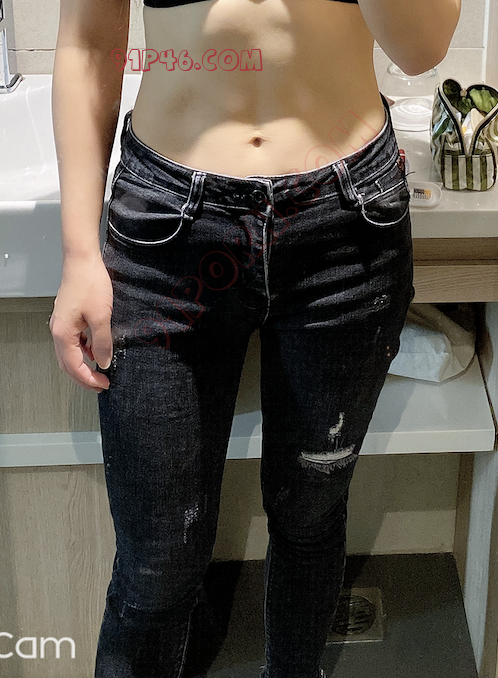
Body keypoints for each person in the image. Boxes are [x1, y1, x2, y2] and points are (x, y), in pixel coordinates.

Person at [49, 0, 461, 676]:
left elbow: (422, 50)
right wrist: (78, 254)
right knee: (157, 561)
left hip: (345, 224)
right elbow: (90, 43)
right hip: (167, 234)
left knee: (310, 517)